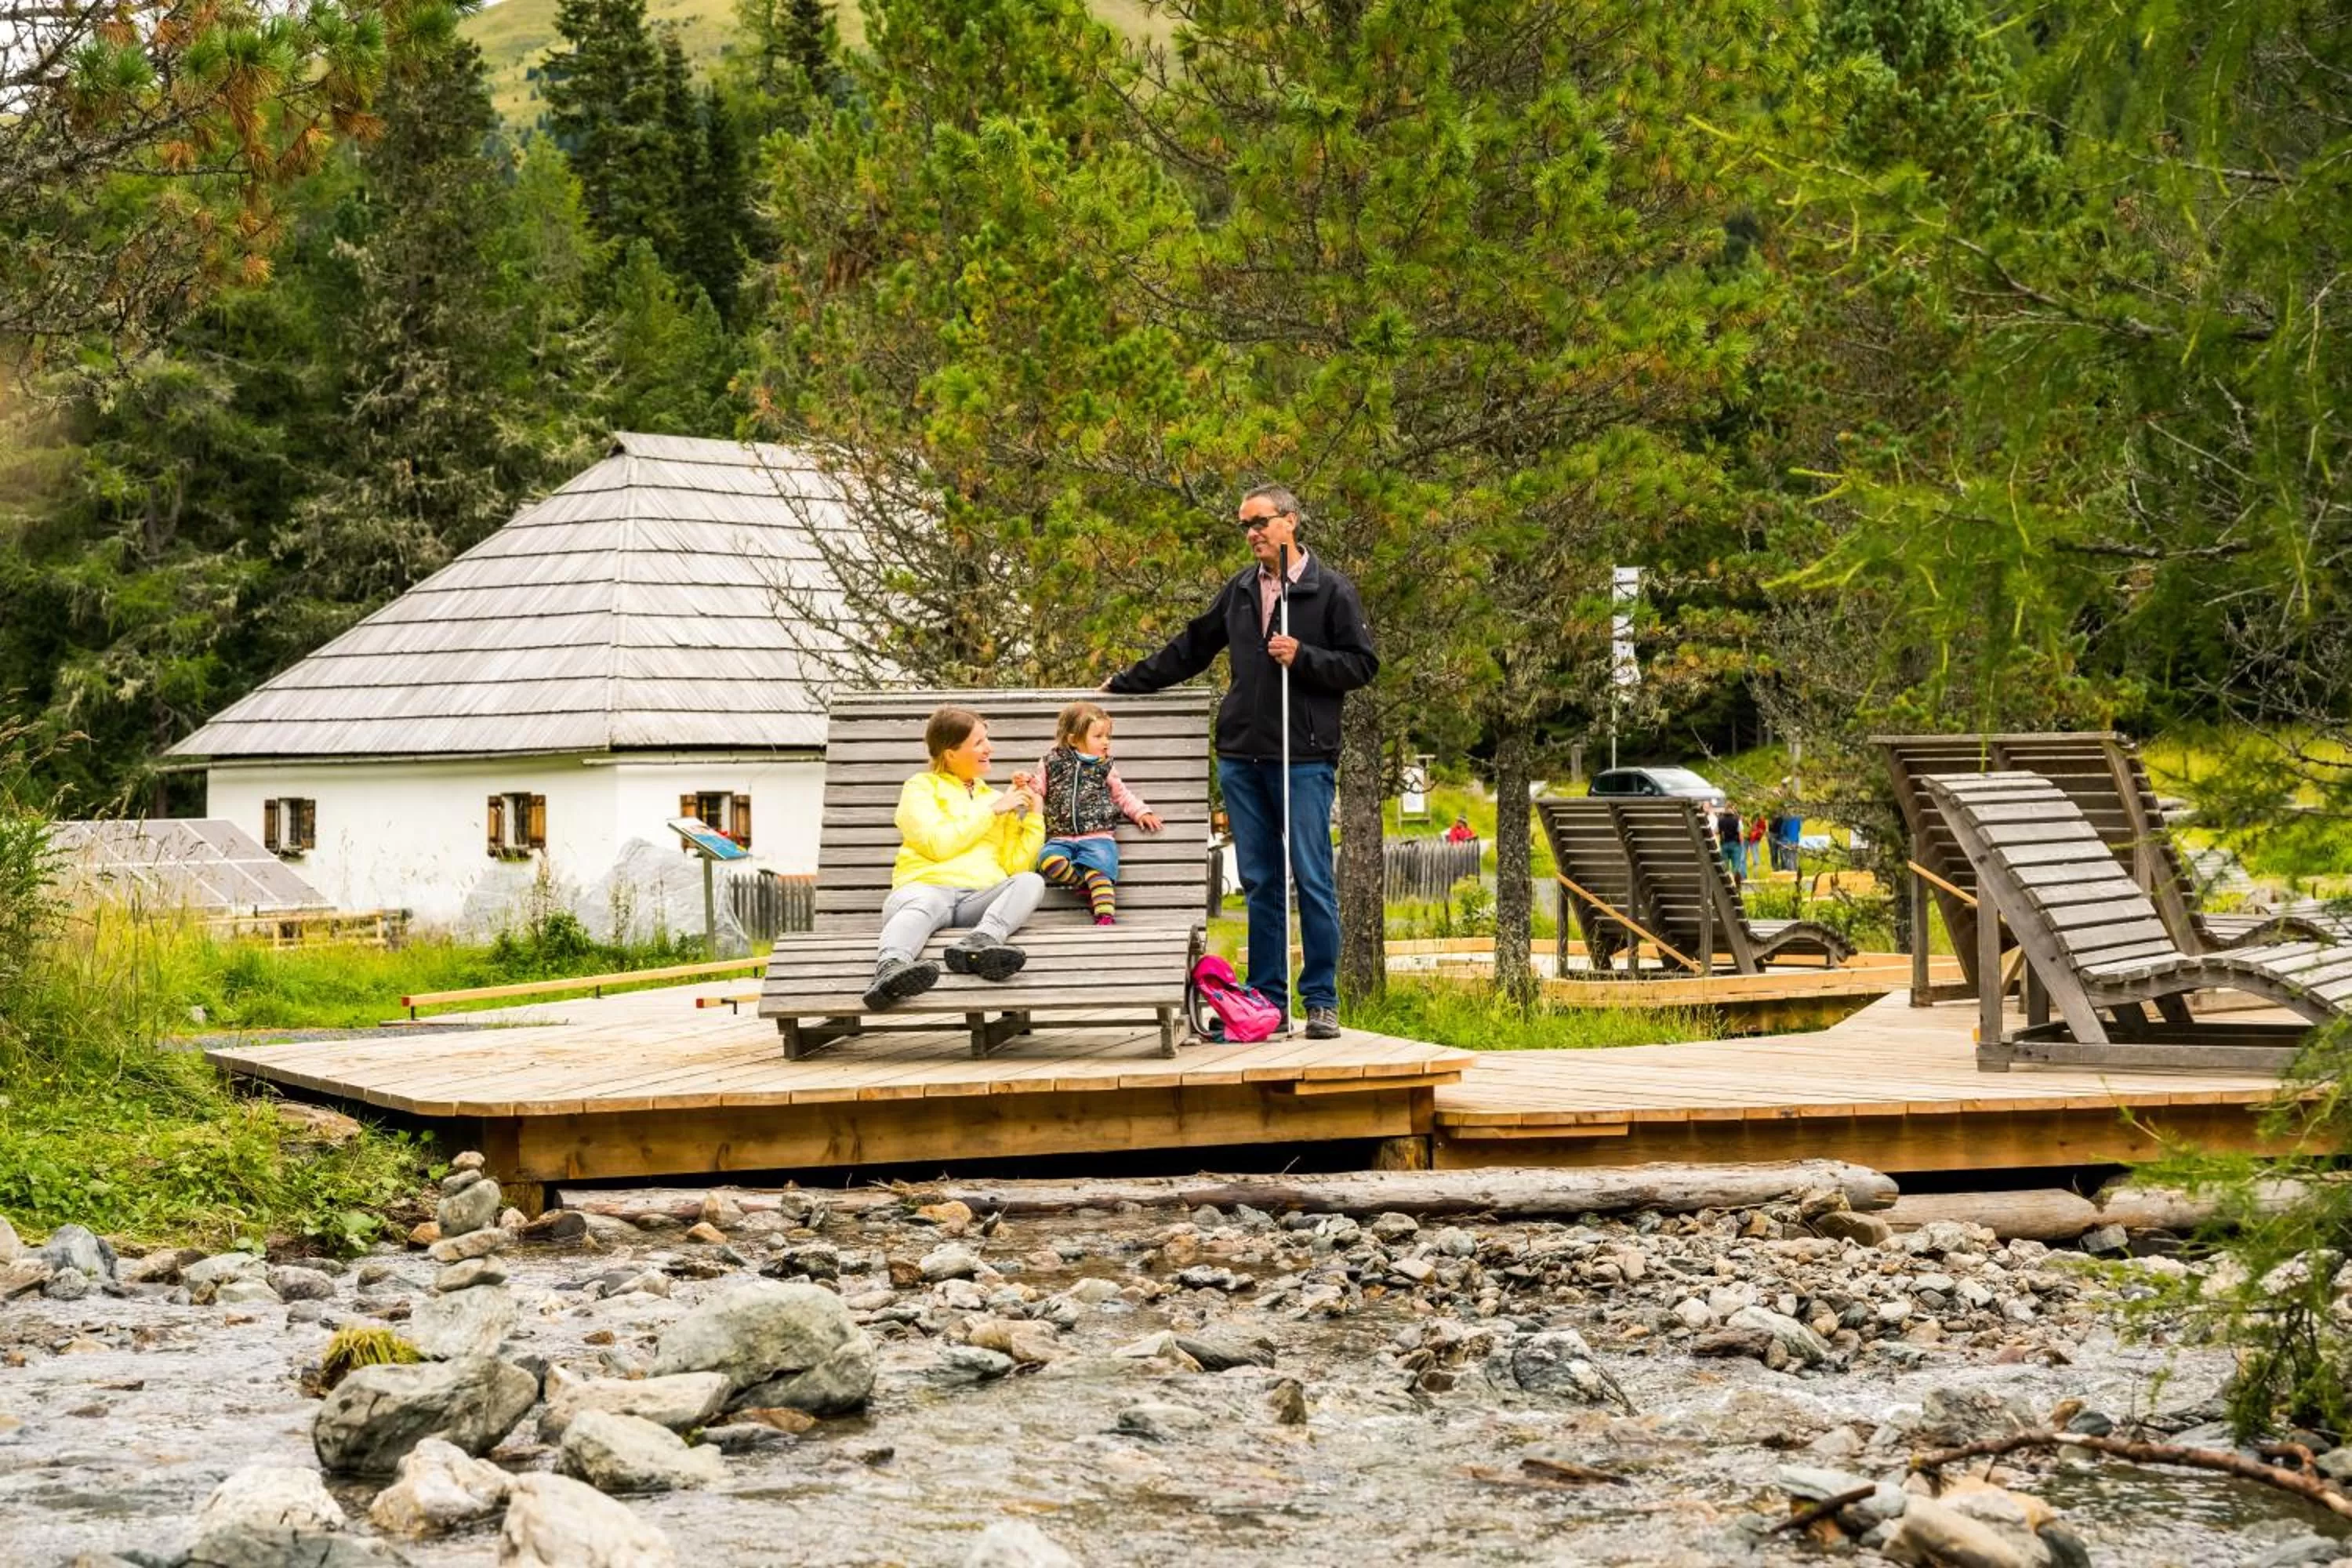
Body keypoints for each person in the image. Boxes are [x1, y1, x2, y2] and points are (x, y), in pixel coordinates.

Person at [1102, 484, 1378, 1040]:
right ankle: (1269, 1002)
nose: (1252, 533)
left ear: (1290, 521)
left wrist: (1304, 657)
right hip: (1243, 756)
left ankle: (1321, 999)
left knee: (1312, 876)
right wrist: (1127, 684)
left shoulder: (1330, 592)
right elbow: (1192, 647)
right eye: (1244, 526)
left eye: (1260, 522)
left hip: (1302, 757)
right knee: (1259, 880)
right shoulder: (1242, 591)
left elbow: (1361, 666)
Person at [863, 706, 1047, 1011]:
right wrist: (992, 812)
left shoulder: (994, 798)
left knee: (1030, 882)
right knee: (929, 904)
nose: (990, 748)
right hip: (923, 890)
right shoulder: (921, 788)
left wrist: (1034, 814)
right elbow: (938, 844)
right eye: (978, 743)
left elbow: (1015, 866)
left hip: (976, 900)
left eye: (987, 740)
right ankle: (891, 968)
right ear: (950, 754)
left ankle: (979, 943)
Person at [1033, 699, 1163, 925]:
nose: (1106, 742)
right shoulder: (1050, 762)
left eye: (1108, 736)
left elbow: (1122, 795)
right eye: (1098, 736)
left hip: (1098, 837)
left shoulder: (1105, 767)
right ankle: (1084, 884)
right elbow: (1038, 789)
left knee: (1100, 868)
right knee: (1048, 860)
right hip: (1060, 837)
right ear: (1074, 739)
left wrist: (1142, 812)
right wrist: (1025, 784)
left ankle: (1104, 915)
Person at [1714, 801, 1744, 884]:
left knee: (1725, 867)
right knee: (1736, 865)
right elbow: (1741, 835)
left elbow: (1716, 831)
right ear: (1732, 809)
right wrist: (1741, 845)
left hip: (1724, 844)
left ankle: (1727, 882)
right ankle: (1734, 880)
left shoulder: (1720, 820)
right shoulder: (1737, 820)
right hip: (1735, 845)